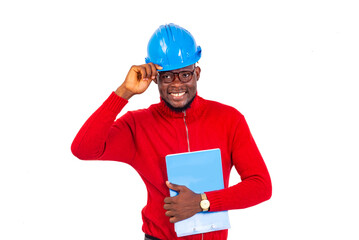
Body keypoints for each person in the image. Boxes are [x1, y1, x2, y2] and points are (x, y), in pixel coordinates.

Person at [71, 23, 272, 240]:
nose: (177, 84)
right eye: (167, 76)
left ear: (197, 73)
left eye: (185, 74)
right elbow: (83, 149)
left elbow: (260, 185)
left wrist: (202, 202)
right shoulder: (137, 125)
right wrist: (124, 92)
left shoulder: (229, 119)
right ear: (155, 78)